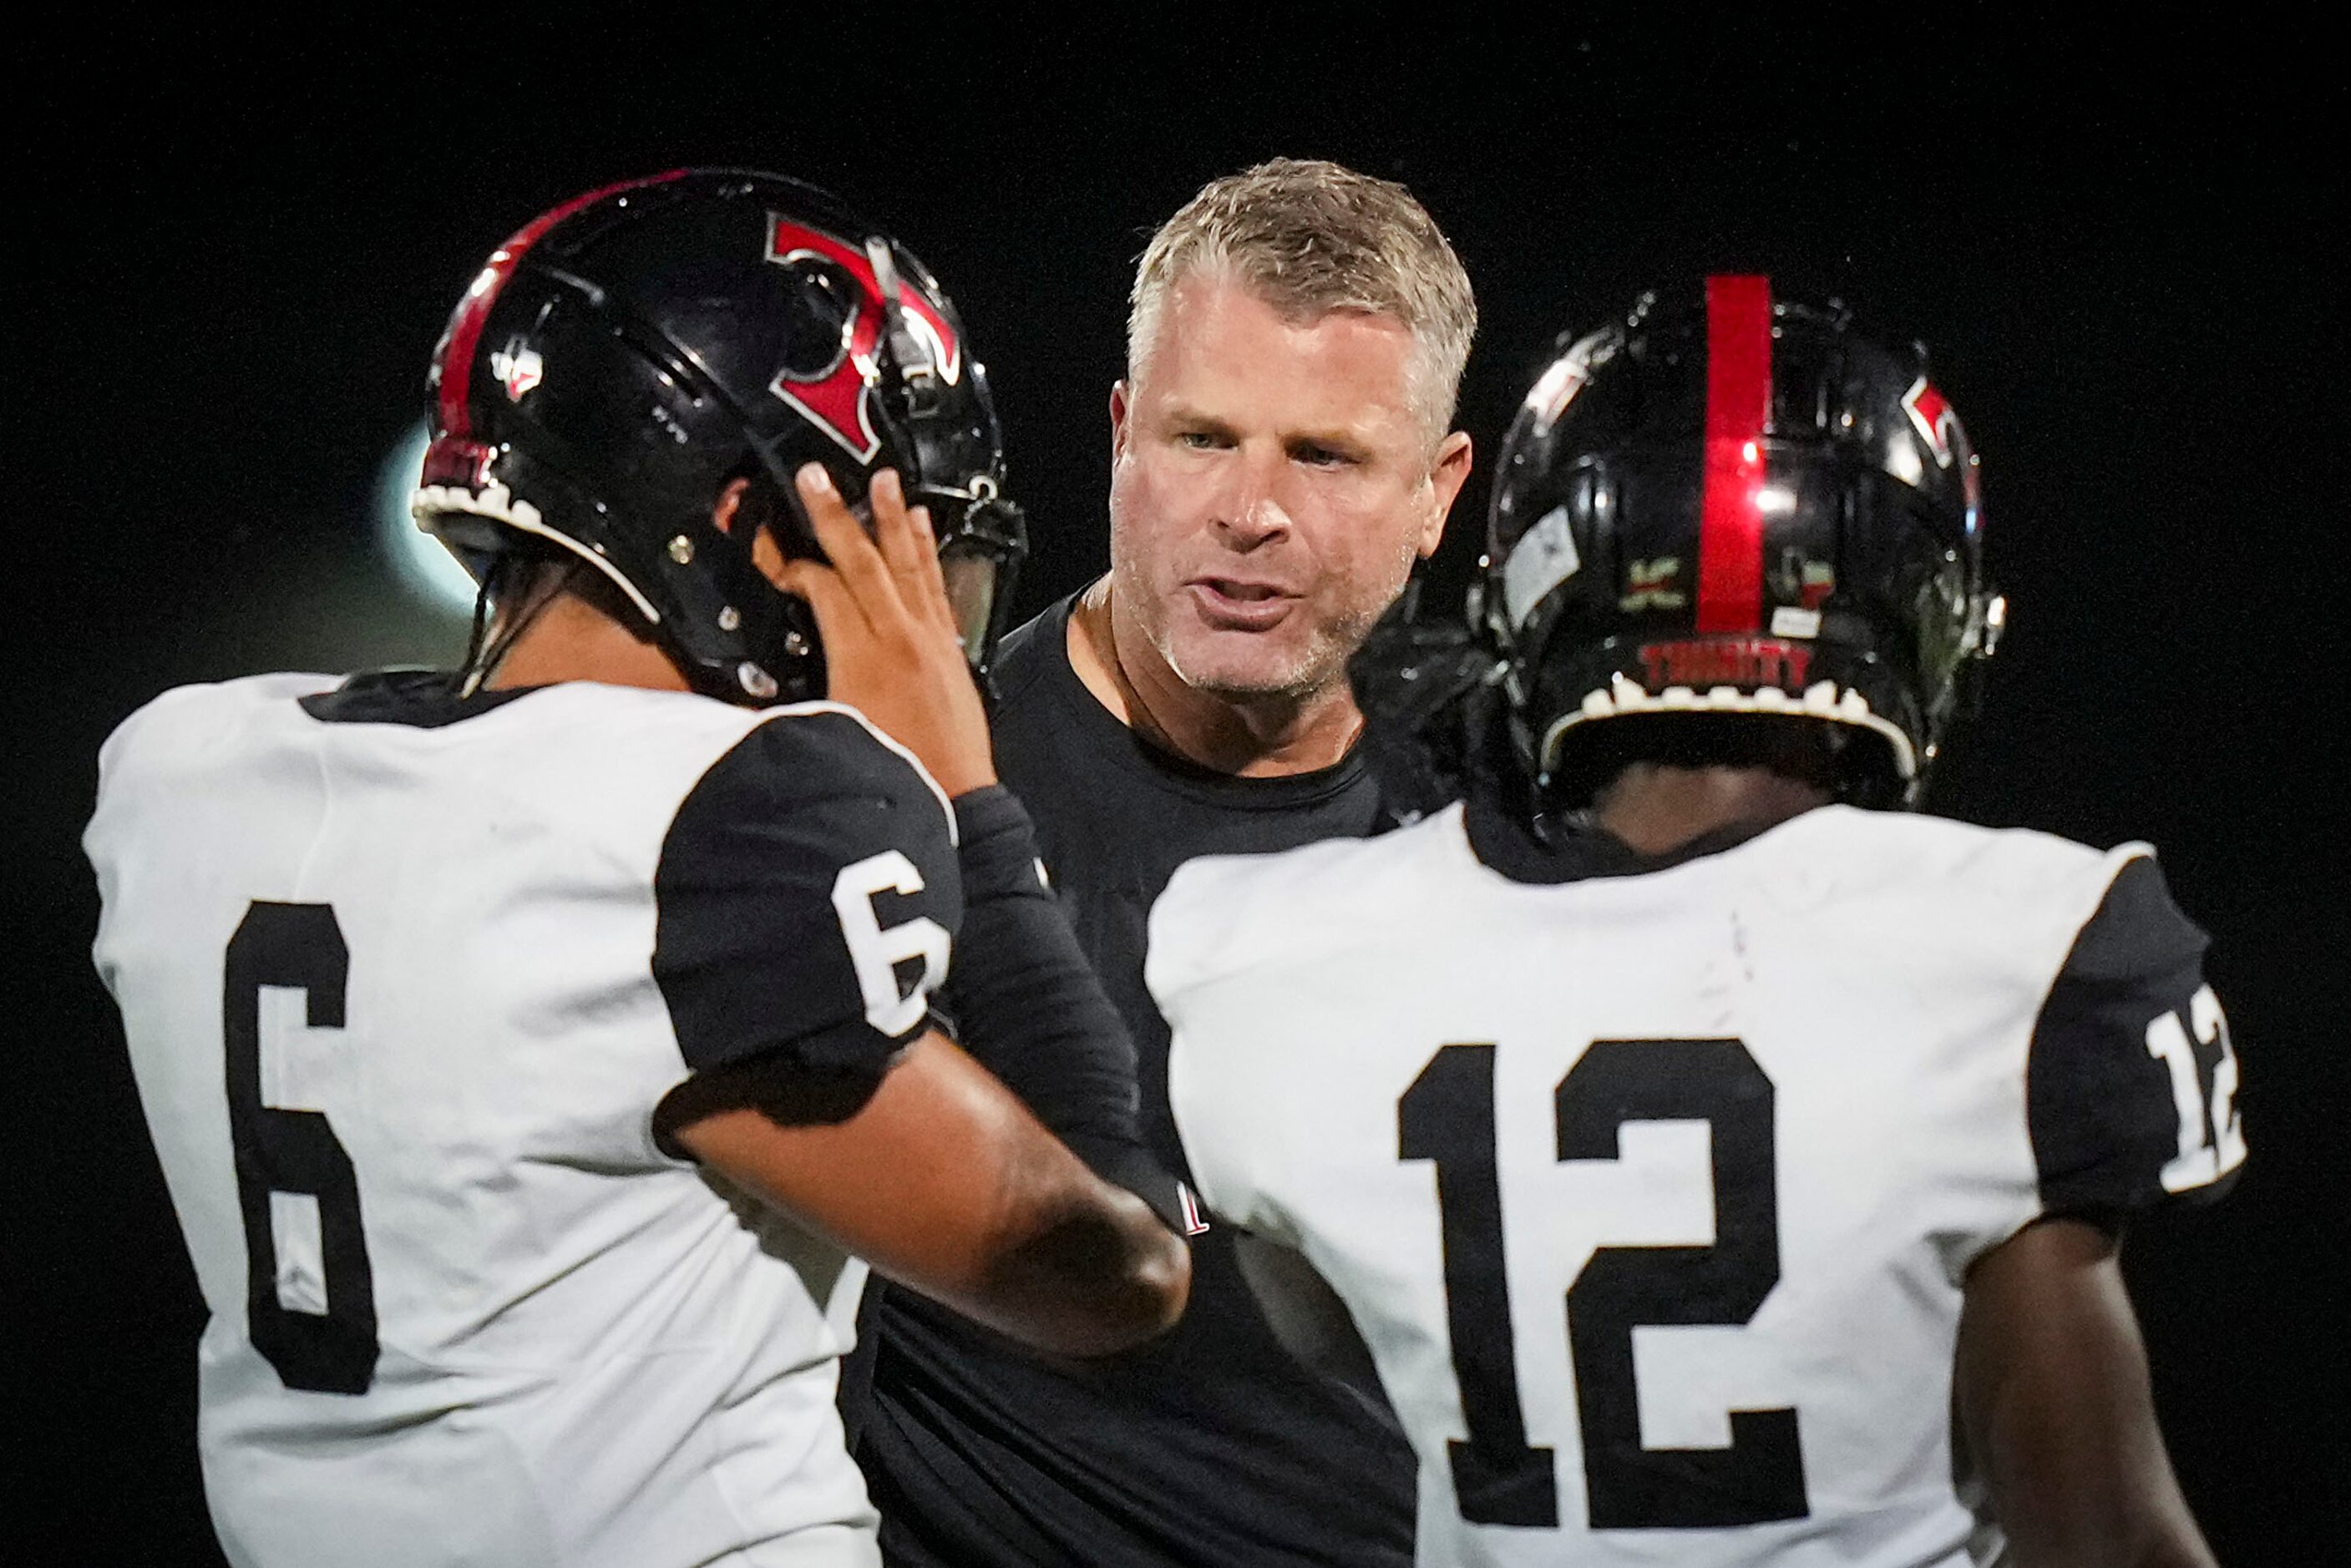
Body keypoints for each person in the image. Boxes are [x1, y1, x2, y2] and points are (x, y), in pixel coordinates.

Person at [84, 169, 1188, 1568]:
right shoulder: (709, 825)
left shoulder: (186, 769)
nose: (925, 627)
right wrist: (967, 798)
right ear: (753, 528)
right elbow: (1113, 1268)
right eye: (900, 557)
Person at [1153, 277, 2238, 1565]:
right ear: (1920, 604)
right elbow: (2106, 1533)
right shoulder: (2016, 950)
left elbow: (1346, 1334)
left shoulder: (1269, 954)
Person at [849, 158, 1476, 1565]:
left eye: (1324, 456)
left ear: (1439, 490)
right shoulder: (894, 794)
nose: (1250, 509)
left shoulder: (1522, 833)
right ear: (1122, 435)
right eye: (1203, 438)